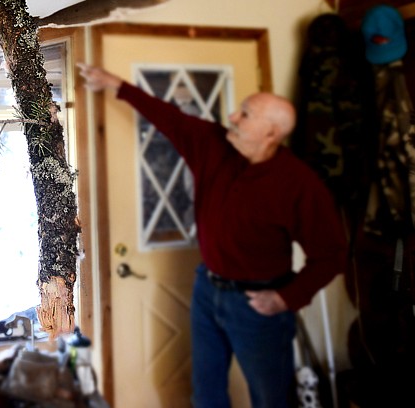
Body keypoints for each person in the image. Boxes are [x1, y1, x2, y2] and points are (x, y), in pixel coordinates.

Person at [77, 62, 348, 408]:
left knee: (271, 400)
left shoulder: (299, 185)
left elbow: (332, 254)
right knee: (206, 395)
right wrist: (116, 84)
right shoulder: (213, 143)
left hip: (259, 305)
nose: (233, 117)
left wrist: (284, 298)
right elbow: (169, 118)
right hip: (208, 289)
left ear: (270, 134)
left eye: (245, 114)